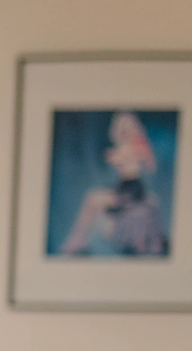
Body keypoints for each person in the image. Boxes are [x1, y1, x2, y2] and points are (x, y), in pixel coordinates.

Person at [57, 110, 169, 257]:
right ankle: (76, 244)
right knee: (93, 200)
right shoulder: (121, 147)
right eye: (119, 125)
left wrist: (131, 157)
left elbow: (148, 168)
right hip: (122, 189)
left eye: (126, 125)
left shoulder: (139, 146)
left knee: (93, 199)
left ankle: (75, 244)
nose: (122, 129)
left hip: (134, 192)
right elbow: (113, 162)